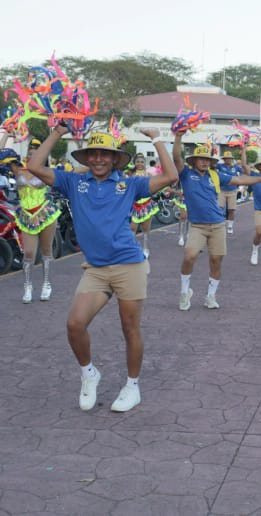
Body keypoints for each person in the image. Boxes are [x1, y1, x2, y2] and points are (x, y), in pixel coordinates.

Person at [27, 126, 178, 412]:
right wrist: (58, 132)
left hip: (129, 265)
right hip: (96, 268)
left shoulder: (130, 184)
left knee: (129, 327)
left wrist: (157, 138)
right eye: (93, 154)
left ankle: (132, 387)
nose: (98, 159)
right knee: (74, 324)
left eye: (104, 155)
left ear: (114, 159)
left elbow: (171, 176)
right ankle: (89, 374)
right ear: (87, 158)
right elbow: (34, 165)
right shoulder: (72, 182)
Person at [174, 134, 261, 310]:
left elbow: (240, 180)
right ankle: (185, 292)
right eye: (201, 159)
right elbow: (176, 157)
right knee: (189, 256)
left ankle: (210, 296)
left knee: (216, 261)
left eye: (208, 159)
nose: (205, 162)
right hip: (198, 226)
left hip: (218, 224)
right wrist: (178, 136)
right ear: (194, 161)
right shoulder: (185, 174)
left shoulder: (215, 175)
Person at [0, 135, 61, 303]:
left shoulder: (47, 172)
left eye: (35, 155)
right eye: (29, 154)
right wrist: (6, 133)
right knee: (28, 253)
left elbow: (74, 173)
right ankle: (28, 286)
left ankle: (46, 284)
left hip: (45, 214)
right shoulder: (18, 170)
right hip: (26, 215)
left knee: (46, 252)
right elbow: (1, 153)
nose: (31, 157)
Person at [127, 153, 157, 258]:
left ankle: (145, 247)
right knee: (132, 228)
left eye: (142, 162)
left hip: (146, 204)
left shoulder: (148, 174)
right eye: (138, 161)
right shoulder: (130, 174)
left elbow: (155, 184)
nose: (140, 163)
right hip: (134, 205)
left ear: (145, 163)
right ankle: (132, 249)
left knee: (145, 228)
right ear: (135, 163)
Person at [215, 150, 243, 234]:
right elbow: (212, 166)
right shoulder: (220, 166)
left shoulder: (236, 167)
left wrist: (239, 181)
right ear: (224, 159)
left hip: (232, 191)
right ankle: (220, 224)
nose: (228, 160)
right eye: (226, 159)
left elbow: (243, 172)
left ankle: (230, 226)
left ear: (232, 159)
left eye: (229, 158)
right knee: (219, 208)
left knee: (231, 209)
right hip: (222, 191)